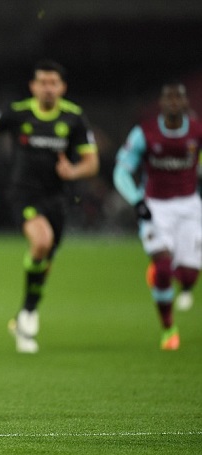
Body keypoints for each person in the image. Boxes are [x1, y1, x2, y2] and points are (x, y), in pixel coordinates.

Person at [0, 59, 99, 354]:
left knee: (45, 258)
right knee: (41, 242)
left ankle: (27, 311)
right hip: (23, 194)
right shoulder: (18, 112)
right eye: (42, 82)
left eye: (53, 83)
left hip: (58, 198)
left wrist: (73, 171)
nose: (48, 88)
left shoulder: (74, 118)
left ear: (62, 87)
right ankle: (28, 312)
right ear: (33, 86)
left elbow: (91, 163)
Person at [113, 81, 202, 351]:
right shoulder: (145, 133)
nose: (173, 103)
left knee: (188, 276)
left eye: (178, 98)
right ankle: (168, 329)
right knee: (163, 269)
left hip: (189, 207)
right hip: (156, 207)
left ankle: (180, 279)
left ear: (186, 103)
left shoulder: (197, 131)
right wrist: (137, 200)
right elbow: (121, 170)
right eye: (168, 99)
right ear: (161, 104)